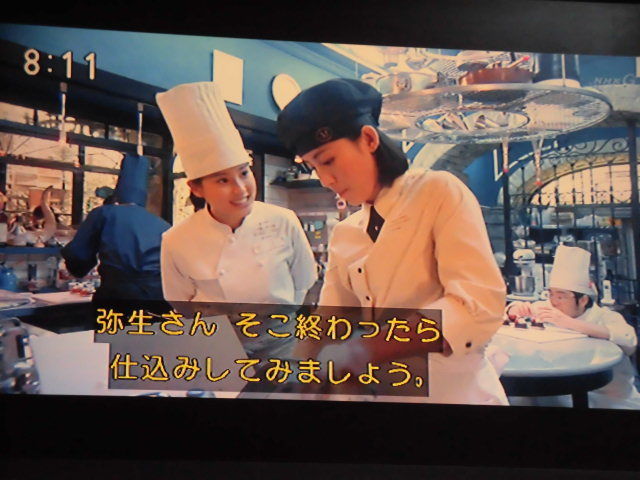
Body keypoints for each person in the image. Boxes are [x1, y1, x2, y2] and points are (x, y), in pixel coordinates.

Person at [277, 78, 508, 405]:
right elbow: (330, 319)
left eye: (328, 160)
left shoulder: (437, 192)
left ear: (369, 139)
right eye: (314, 167)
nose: (325, 180)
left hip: (455, 395)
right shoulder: (346, 232)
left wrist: (363, 349)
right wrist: (296, 371)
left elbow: (476, 305)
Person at [156, 82, 317, 356]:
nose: (241, 189)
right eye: (223, 180)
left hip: (281, 344)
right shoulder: (176, 239)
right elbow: (180, 302)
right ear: (196, 188)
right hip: (215, 345)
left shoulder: (284, 220)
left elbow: (303, 281)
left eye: (244, 173)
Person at [506, 245, 640, 409]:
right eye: (551, 294)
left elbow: (628, 340)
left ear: (583, 300)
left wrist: (567, 322)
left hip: (609, 398)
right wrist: (515, 309)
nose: (554, 302)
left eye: (561, 297)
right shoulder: (549, 307)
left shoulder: (605, 317)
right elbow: (518, 308)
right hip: (559, 392)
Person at [61, 154, 171, 302]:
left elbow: (78, 256)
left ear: (119, 189)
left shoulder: (104, 214)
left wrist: (77, 269)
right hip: (158, 299)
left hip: (117, 297)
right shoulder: (163, 225)